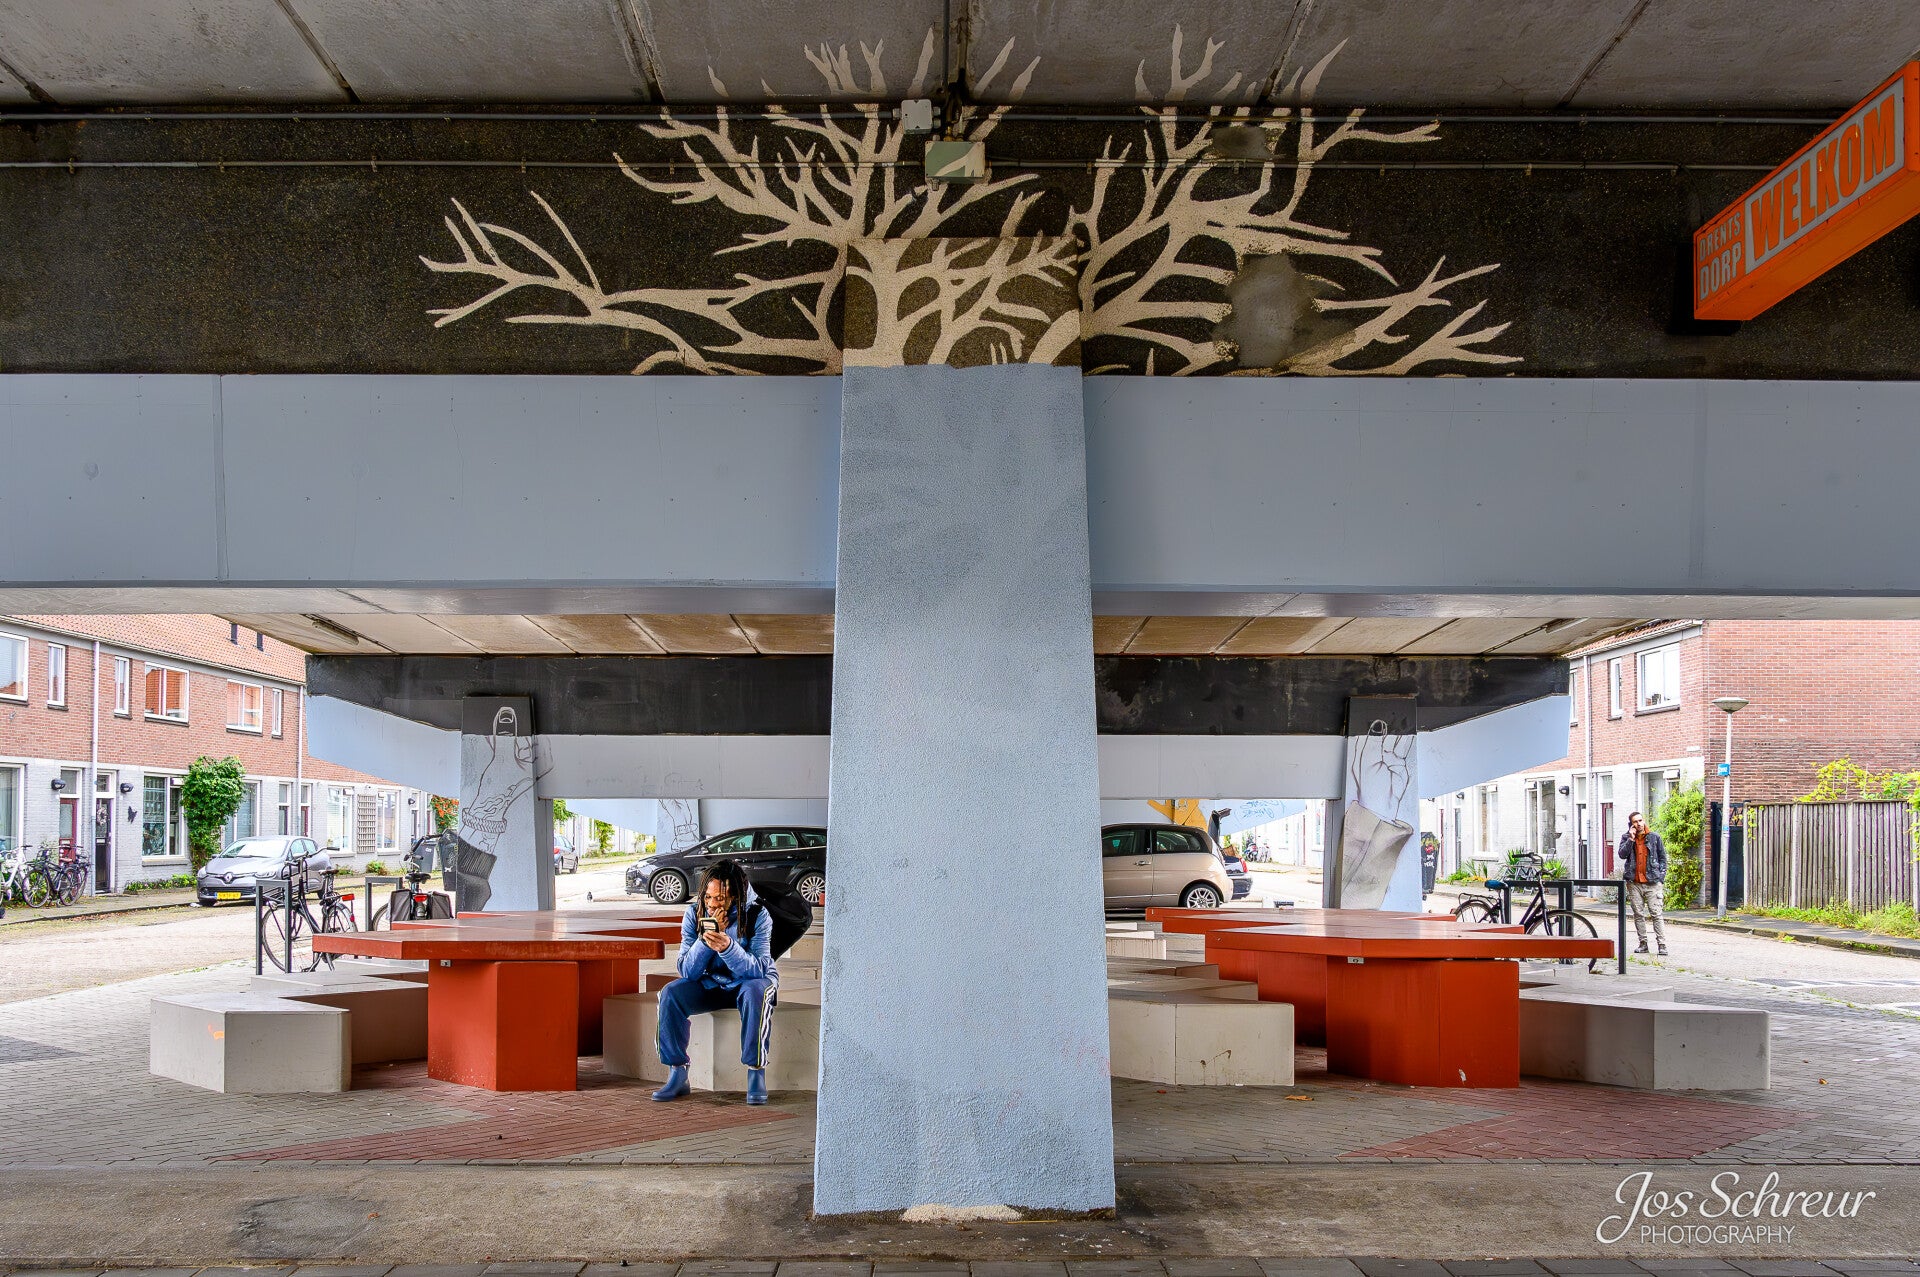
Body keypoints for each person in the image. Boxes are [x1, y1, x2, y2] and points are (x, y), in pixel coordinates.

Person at [652, 858, 778, 1105]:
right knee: (670, 994)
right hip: (711, 983)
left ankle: (756, 1072)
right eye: (707, 897)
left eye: (719, 898)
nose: (711, 904)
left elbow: (759, 969)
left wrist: (728, 947)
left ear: (736, 896)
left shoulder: (757, 915)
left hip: (747, 984)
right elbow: (687, 971)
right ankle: (678, 1072)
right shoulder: (694, 913)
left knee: (756, 991)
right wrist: (705, 942)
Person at [1617, 811, 1668, 956]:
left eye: (1640, 820)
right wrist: (1631, 839)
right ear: (1631, 824)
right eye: (1635, 821)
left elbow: (1663, 858)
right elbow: (1622, 855)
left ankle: (1662, 945)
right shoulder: (1626, 837)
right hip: (1634, 883)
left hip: (1652, 882)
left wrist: (1661, 877)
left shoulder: (1654, 837)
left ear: (1643, 821)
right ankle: (1643, 943)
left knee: (1656, 914)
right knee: (1638, 914)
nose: (1638, 824)